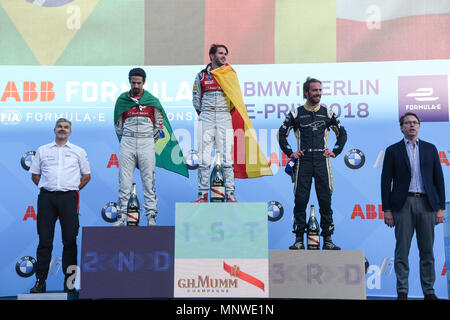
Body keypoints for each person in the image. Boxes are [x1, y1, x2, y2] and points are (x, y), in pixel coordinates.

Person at [381, 112, 445, 300]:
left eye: (415, 123)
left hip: (427, 204)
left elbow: (439, 180)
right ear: (401, 127)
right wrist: (387, 210)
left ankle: (429, 291)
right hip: (402, 205)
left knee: (427, 250)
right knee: (402, 251)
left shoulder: (430, 149)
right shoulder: (393, 151)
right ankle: (402, 290)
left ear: (419, 126)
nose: (411, 125)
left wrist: (440, 207)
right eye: (407, 123)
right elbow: (385, 183)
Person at [278, 77, 347, 250]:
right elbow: (281, 133)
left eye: (320, 90)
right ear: (306, 92)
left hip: (322, 161)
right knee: (300, 200)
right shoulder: (296, 113)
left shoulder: (328, 112)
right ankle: (299, 240)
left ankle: (328, 240)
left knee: (325, 200)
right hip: (303, 161)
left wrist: (335, 150)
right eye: (315, 90)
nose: (318, 94)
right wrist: (290, 152)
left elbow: (343, 133)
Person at [29, 118, 91, 293]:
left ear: (70, 131)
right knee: (44, 241)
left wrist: (71, 188)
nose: (62, 129)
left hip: (69, 198)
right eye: (60, 127)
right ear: (54, 129)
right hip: (47, 198)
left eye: (66, 127)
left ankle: (70, 282)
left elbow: (86, 176)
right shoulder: (42, 150)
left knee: (70, 241)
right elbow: (35, 175)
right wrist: (49, 187)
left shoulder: (78, 151)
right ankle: (40, 282)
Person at [114, 68, 164, 226]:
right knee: (124, 182)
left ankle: (151, 216)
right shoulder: (122, 100)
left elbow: (159, 125)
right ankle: (122, 216)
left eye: (139, 83)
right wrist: (128, 138)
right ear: (129, 81)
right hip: (127, 141)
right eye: (133, 82)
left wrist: (149, 139)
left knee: (149, 180)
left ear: (144, 83)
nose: (136, 85)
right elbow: (118, 125)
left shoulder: (152, 100)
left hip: (146, 142)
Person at [192, 44, 237, 202]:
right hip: (207, 116)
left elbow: (235, 100)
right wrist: (207, 112)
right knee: (204, 159)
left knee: (227, 158)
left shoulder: (230, 74)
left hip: (225, 116)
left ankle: (230, 194)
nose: (224, 56)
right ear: (212, 56)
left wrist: (223, 112)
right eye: (220, 53)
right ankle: (202, 195)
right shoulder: (201, 75)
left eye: (225, 53)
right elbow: (196, 100)